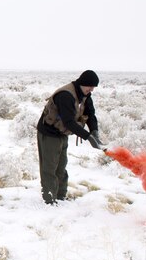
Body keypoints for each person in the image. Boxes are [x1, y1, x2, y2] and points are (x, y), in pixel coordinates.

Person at [36, 69, 104, 205]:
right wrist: (88, 137)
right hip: (49, 134)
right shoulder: (66, 95)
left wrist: (94, 131)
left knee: (61, 167)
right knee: (50, 169)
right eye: (90, 86)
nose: (92, 90)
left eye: (94, 87)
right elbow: (68, 122)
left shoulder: (85, 94)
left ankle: (61, 197)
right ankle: (49, 201)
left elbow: (91, 114)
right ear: (83, 83)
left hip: (62, 134)